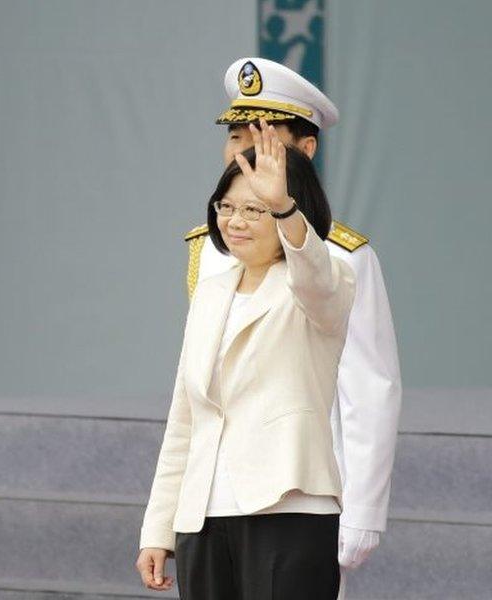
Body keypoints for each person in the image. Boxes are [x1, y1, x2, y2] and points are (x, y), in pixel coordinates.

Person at [185, 57, 402, 581]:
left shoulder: (340, 257)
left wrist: (363, 508)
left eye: (262, 140)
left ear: (305, 150)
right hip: (216, 495)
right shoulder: (209, 250)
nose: (243, 154)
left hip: (301, 489)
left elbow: (367, 386)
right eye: (236, 137)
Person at [137, 121, 355, 598]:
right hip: (203, 516)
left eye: (254, 209)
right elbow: (184, 418)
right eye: (227, 206)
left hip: (288, 509)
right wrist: (158, 529)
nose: (235, 221)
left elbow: (313, 275)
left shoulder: (325, 280)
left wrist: (282, 206)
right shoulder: (212, 294)